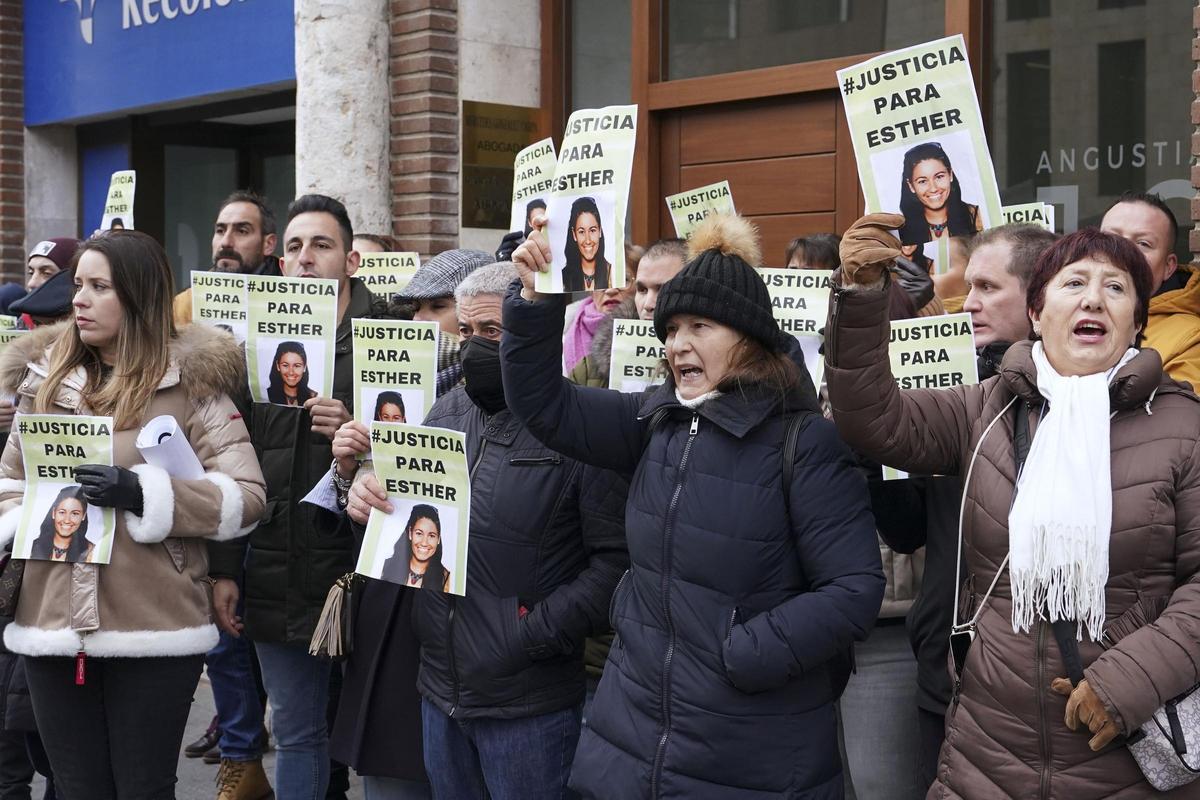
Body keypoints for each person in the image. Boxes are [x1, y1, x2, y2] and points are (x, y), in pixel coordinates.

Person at [505, 211, 884, 797]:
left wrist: (743, 653)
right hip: (630, 741)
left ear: (749, 340)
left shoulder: (803, 442)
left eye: (700, 326)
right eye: (672, 328)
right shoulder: (654, 420)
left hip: (750, 751)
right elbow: (545, 407)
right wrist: (534, 303)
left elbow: (853, 589)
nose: (678, 342)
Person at [827, 213, 1200, 798]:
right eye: (1074, 283)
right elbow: (871, 419)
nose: (1094, 300)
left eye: (1117, 288)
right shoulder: (987, 408)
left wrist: (1131, 680)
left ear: (1138, 322)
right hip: (987, 753)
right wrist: (863, 297)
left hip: (1122, 748)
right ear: (1036, 313)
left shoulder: (1184, 425)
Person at [337, 261, 629, 800]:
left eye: (492, 332)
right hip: (439, 692)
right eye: (467, 332)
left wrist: (531, 634)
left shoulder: (580, 426)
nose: (474, 347)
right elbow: (404, 532)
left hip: (529, 704)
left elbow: (615, 562)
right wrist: (364, 494)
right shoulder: (444, 413)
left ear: (532, 332)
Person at [0, 229, 265, 799]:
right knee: (76, 788)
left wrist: (146, 494)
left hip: (155, 624)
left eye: (100, 287)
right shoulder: (44, 381)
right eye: (78, 285)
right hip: (49, 623)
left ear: (140, 297)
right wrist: (30, 515)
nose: (79, 300)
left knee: (142, 788)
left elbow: (247, 497)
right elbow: (9, 482)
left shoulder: (192, 384)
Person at [207, 194, 398, 800]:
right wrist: (222, 568)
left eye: (321, 244)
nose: (305, 257)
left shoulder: (392, 336)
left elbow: (425, 457)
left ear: (351, 261)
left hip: (369, 568)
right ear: (280, 261)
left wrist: (364, 433)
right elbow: (225, 463)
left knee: (379, 733)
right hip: (275, 565)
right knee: (295, 731)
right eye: (293, 246)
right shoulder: (248, 348)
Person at [862, 223, 1058, 796]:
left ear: (1040, 296)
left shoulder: (1085, 402)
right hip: (945, 672)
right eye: (967, 286)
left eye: (989, 288)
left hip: (1046, 691)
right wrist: (881, 456)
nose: (968, 303)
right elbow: (906, 532)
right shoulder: (945, 386)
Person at [1101, 191, 1200, 388]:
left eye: (1143, 244)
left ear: (1168, 266)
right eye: (1111, 239)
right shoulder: (1064, 313)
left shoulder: (1191, 339)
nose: (1123, 252)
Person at [569, 238, 688, 388]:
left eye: (663, 290)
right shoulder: (589, 368)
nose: (648, 304)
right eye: (642, 290)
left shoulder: (718, 368)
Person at [394, 248, 494, 395]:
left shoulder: (496, 384)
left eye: (438, 306)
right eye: (415, 308)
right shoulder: (395, 373)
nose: (418, 319)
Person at [173, 190, 282, 326]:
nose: (225, 242)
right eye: (220, 231)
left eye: (242, 231)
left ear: (268, 244)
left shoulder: (297, 300)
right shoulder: (185, 306)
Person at [563, 245, 639, 373]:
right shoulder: (563, 332)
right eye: (600, 279)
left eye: (623, 280)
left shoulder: (654, 334)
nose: (610, 290)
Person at [897, 143, 983, 247]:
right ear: (911, 186)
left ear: (950, 174)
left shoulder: (978, 216)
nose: (933, 188)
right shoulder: (900, 229)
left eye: (939, 177)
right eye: (922, 181)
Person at [378, 504, 449, 591]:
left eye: (431, 535)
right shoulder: (384, 567)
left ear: (438, 539)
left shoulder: (447, 579)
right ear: (410, 533)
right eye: (419, 533)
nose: (424, 543)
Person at [28, 485, 92, 563]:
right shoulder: (30, 547)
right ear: (54, 513)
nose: (67, 520)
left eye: (75, 513)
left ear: (83, 515)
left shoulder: (91, 551)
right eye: (62, 512)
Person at [560, 196, 610, 292]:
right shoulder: (563, 278)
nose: (588, 240)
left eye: (592, 230)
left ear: (600, 231)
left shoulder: (613, 274)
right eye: (581, 232)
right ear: (574, 234)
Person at [266, 341, 317, 407]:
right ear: (278, 366)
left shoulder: (314, 397)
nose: (291, 372)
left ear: (304, 367)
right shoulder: (266, 395)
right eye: (285, 365)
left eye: (297, 366)